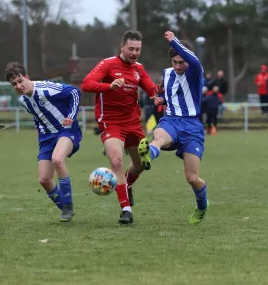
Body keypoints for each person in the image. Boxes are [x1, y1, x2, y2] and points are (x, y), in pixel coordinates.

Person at [81, 30, 159, 225]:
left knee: (141, 164)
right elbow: (86, 84)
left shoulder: (139, 68)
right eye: (131, 48)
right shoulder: (107, 64)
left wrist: (157, 95)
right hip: (110, 121)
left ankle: (126, 185)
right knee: (116, 161)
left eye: (138, 49)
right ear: (122, 47)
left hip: (132, 122)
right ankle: (126, 209)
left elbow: (151, 88)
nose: (134, 53)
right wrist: (109, 87)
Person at [138, 31, 209, 225]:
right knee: (158, 137)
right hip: (171, 120)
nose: (178, 66)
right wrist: (162, 99)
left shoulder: (195, 70)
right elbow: (171, 93)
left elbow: (191, 61)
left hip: (192, 126)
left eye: (181, 62)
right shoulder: (167, 74)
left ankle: (202, 206)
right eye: (175, 62)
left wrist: (174, 41)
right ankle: (147, 155)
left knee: (192, 178)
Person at [5, 62, 82, 222]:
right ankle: (66, 209)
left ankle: (67, 208)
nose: (18, 86)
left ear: (27, 77)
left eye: (20, 81)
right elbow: (39, 115)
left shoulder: (45, 88)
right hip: (46, 138)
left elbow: (74, 92)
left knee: (58, 160)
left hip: (66, 130)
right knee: (44, 180)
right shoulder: (23, 101)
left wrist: (71, 116)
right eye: (14, 84)